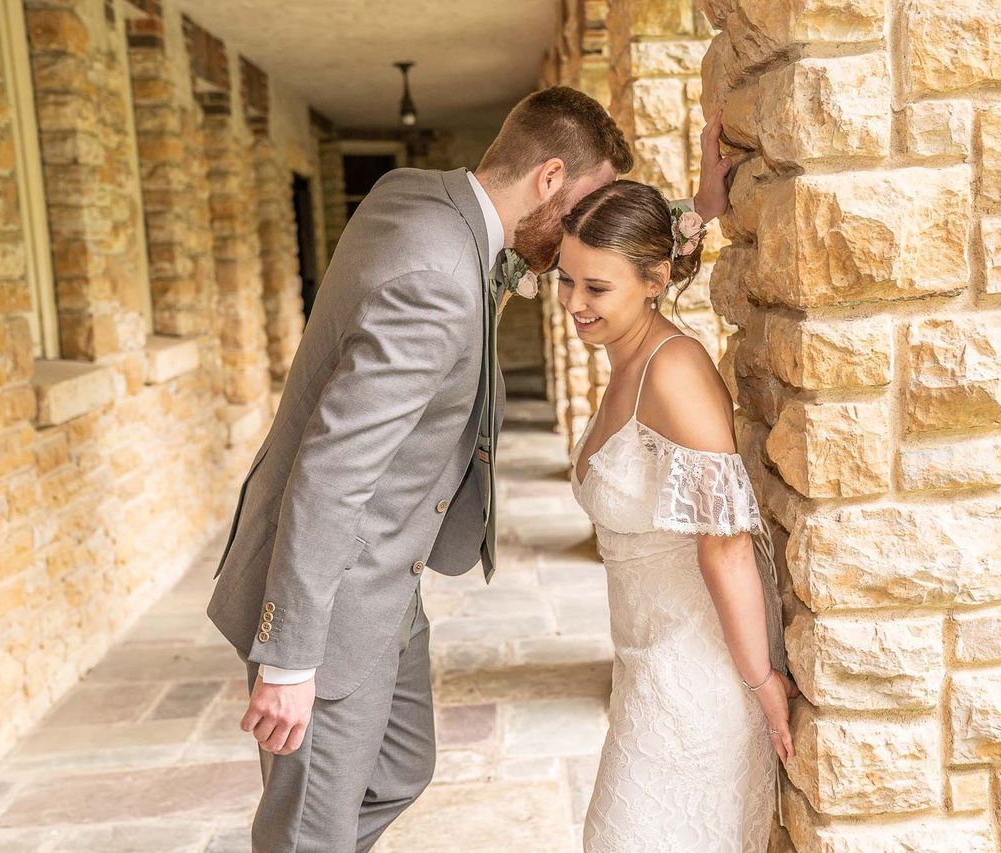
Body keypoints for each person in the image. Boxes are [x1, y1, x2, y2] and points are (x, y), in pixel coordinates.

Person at [204, 86, 734, 852]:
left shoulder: (419, 200)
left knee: (400, 766)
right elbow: (332, 470)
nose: (587, 225)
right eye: (587, 203)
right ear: (549, 178)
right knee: (309, 827)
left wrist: (695, 213)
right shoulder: (437, 277)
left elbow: (548, 273)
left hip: (389, 571)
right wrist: (289, 657)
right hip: (333, 591)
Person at [559, 180, 796, 852]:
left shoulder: (674, 371)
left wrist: (762, 682)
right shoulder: (624, 355)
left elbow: (724, 545)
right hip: (644, 664)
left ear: (655, 280)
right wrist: (699, 207)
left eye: (596, 288)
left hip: (698, 677)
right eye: (567, 280)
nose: (575, 304)